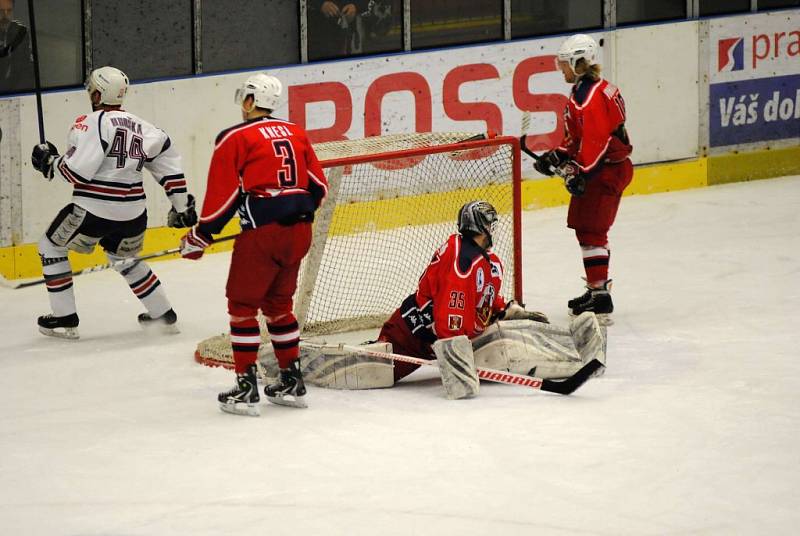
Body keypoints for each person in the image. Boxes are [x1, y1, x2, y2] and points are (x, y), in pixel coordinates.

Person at [179, 73, 328, 416]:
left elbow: (224, 194)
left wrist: (201, 235)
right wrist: (291, 215)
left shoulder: (234, 136)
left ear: (249, 101)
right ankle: (292, 381)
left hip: (263, 236)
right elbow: (319, 187)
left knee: (242, 307)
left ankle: (246, 388)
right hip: (300, 233)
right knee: (279, 305)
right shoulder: (297, 132)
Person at [30, 66, 196, 340]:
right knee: (124, 258)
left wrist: (50, 162)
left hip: (92, 211)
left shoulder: (92, 121)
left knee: (50, 246)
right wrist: (181, 207)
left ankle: (63, 318)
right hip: (133, 214)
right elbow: (170, 170)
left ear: (97, 93)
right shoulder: (145, 127)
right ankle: (163, 315)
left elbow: (76, 171)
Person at [532, 33, 633, 324]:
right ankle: (596, 287)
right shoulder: (583, 91)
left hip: (606, 171)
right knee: (584, 228)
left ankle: (600, 295)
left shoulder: (590, 98)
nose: (560, 69)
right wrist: (558, 155)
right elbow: (577, 138)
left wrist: (581, 171)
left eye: (564, 64)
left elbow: (596, 142)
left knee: (592, 230)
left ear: (579, 63)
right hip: (601, 169)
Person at [0, 0, 34, 93]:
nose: (5, 15)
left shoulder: (21, 32)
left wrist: (17, 94)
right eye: (1, 11)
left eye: (9, 10)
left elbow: (27, 67)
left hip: (17, 91)